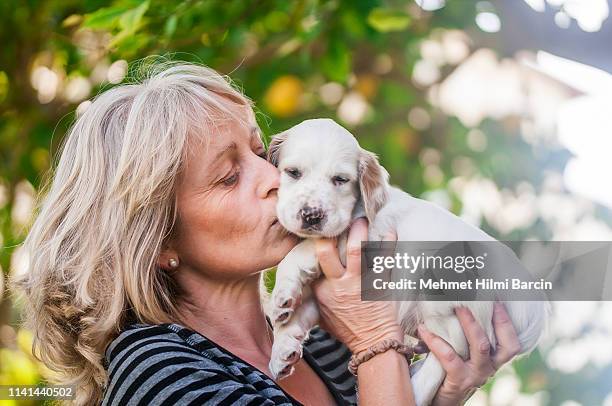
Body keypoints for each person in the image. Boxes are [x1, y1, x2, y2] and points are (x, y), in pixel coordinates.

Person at [11, 61, 521, 405]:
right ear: (158, 237)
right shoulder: (160, 374)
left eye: (261, 152)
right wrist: (376, 343)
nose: (275, 179)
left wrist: (434, 390)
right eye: (229, 175)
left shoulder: (321, 338)